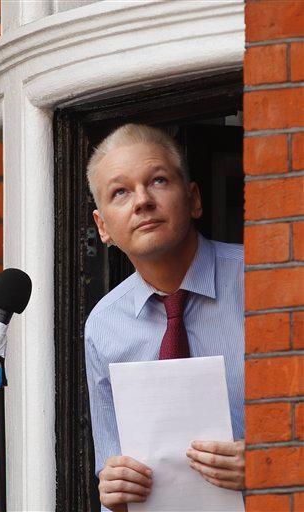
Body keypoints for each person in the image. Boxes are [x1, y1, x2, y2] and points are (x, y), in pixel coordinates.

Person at [84, 123, 245, 512]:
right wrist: (114, 493)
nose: (141, 201)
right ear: (103, 226)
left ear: (193, 200)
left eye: (157, 180)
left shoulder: (266, 281)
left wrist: (278, 464)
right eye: (119, 192)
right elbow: (113, 469)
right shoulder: (103, 327)